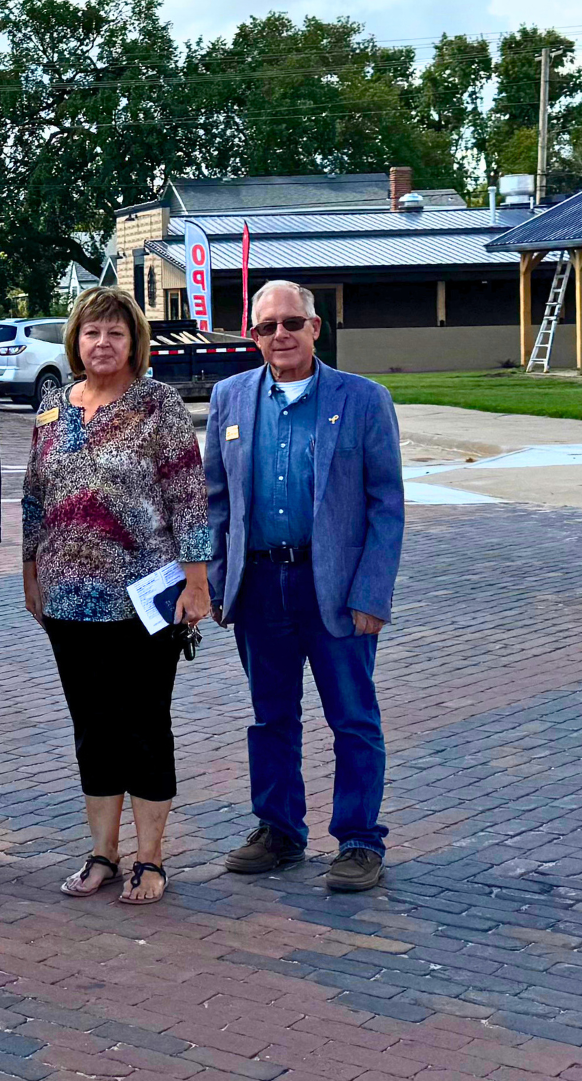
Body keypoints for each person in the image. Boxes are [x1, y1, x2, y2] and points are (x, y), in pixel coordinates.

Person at [206, 279, 404, 893]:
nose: (280, 335)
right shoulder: (229, 399)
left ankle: (358, 839)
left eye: (292, 323)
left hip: (336, 589)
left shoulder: (364, 399)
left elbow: (386, 504)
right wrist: (217, 581)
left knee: (352, 718)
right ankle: (279, 829)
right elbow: (217, 500)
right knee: (271, 718)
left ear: (315, 327)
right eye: (267, 327)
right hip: (262, 586)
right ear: (253, 335)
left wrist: (372, 593)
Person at [22, 285, 210, 906]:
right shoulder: (53, 407)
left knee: (144, 726)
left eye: (116, 334)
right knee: (92, 727)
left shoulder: (158, 405)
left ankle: (151, 861)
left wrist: (198, 581)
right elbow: (33, 496)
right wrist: (30, 570)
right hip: (70, 602)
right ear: (76, 339)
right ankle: (102, 853)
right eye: (92, 332)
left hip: (146, 600)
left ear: (135, 343)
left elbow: (188, 497)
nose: (102, 344)